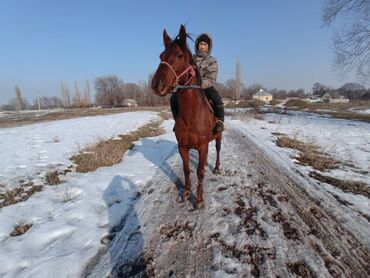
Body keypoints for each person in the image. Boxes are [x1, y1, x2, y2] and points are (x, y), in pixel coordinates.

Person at [170, 33, 225, 132]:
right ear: (197, 45)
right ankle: (177, 121)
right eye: (201, 44)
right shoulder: (191, 59)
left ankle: (219, 121)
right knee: (174, 98)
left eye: (205, 44)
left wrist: (199, 85)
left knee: (216, 97)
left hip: (205, 87)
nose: (202, 46)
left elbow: (211, 78)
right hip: (189, 87)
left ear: (208, 47)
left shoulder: (212, 61)